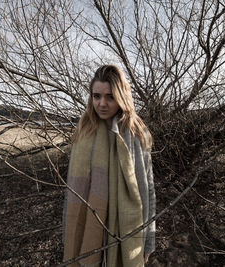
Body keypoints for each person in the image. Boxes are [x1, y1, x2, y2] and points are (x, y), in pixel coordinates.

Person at [62, 65, 156, 267]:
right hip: (89, 224)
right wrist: (67, 232)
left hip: (125, 225)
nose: (102, 103)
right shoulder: (84, 132)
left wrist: (148, 240)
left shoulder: (136, 134)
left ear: (121, 97)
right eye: (96, 96)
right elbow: (72, 190)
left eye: (110, 97)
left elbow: (147, 188)